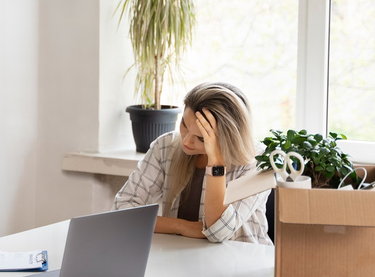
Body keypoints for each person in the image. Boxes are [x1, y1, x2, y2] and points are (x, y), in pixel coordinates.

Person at [113, 82, 272, 245]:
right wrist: (182, 227)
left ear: (228, 137)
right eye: (184, 125)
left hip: (243, 262)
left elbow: (218, 232)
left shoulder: (259, 160)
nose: (187, 140)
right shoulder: (166, 146)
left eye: (202, 138)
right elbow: (121, 211)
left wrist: (216, 162)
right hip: (182, 257)